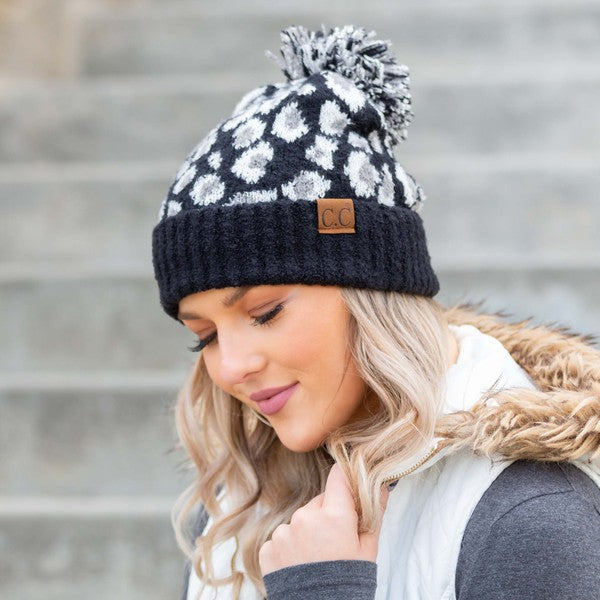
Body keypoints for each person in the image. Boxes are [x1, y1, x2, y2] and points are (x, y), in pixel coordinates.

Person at [150, 24, 600, 600]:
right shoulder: (229, 510)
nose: (232, 367)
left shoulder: (531, 519)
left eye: (264, 313)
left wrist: (325, 589)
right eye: (205, 336)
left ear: (372, 293)